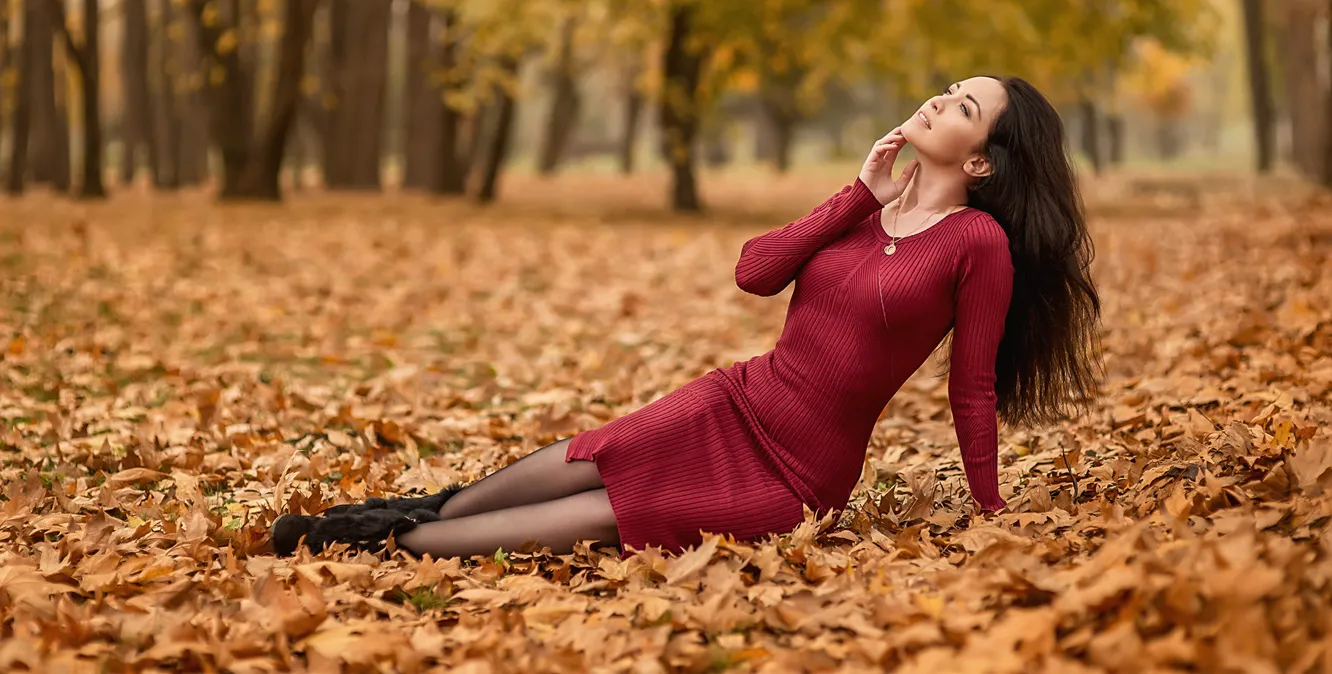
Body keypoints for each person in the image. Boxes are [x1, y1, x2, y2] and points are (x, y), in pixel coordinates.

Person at [269, 75, 1104, 560]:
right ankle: (389, 516)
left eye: (963, 107)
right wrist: (857, 191)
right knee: (583, 458)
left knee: (595, 518)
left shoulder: (977, 243)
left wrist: (992, 517)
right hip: (732, 402)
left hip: (795, 475)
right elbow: (754, 272)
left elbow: (971, 393)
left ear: (980, 159)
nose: (939, 98)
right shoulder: (865, 208)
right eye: (950, 87)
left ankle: (369, 545)